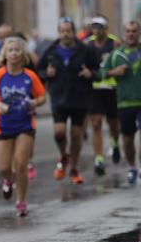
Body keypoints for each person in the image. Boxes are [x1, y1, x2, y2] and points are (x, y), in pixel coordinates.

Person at [0, 37, 46, 216]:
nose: (14, 53)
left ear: (22, 53)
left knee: (21, 163)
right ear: (5, 54)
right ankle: (8, 180)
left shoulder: (30, 76)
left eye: (17, 50)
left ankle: (21, 201)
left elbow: (42, 97)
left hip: (25, 124)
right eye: (10, 50)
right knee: (3, 167)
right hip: (2, 125)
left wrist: (33, 102)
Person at [38, 18, 100, 184]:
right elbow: (38, 70)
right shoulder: (50, 51)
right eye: (62, 31)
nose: (66, 34)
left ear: (73, 32)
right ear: (58, 33)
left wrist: (91, 74)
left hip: (80, 97)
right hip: (59, 98)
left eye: (68, 31)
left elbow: (99, 69)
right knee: (59, 132)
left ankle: (74, 168)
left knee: (76, 135)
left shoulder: (85, 50)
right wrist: (46, 74)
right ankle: (63, 154)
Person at [101, 21, 141, 184]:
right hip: (125, 103)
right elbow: (102, 72)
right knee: (128, 139)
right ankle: (132, 167)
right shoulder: (116, 54)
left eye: (134, 31)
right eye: (128, 31)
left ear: (138, 33)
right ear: (123, 34)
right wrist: (113, 72)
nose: (131, 34)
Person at [85, 15, 122, 174]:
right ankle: (98, 158)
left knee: (113, 123)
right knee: (96, 123)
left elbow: (121, 65)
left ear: (106, 28)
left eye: (100, 27)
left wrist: (109, 73)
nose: (97, 30)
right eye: (94, 27)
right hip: (95, 89)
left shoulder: (114, 42)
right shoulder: (88, 44)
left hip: (112, 88)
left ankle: (114, 142)